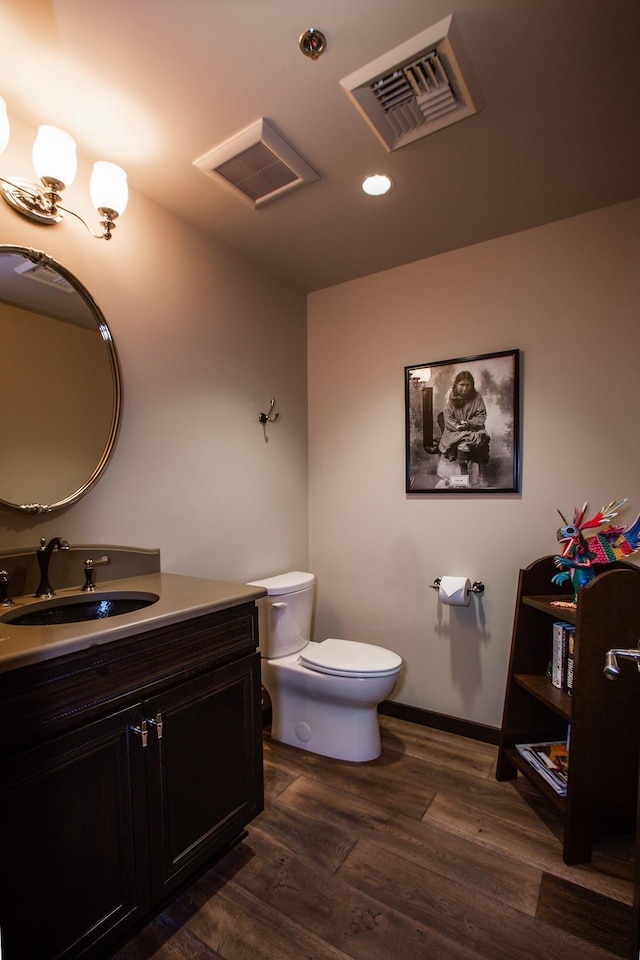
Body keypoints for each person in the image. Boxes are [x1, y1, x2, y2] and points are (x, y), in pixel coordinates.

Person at [438, 370, 490, 464]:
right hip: (454, 430)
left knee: (482, 438)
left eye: (468, 385)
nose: (465, 388)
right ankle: (463, 473)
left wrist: (470, 424)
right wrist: (459, 426)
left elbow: (481, 415)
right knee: (469, 438)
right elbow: (448, 417)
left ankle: (481, 475)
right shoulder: (450, 397)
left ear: (472, 385)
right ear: (456, 384)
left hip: (473, 428)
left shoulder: (477, 397)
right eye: (462, 385)